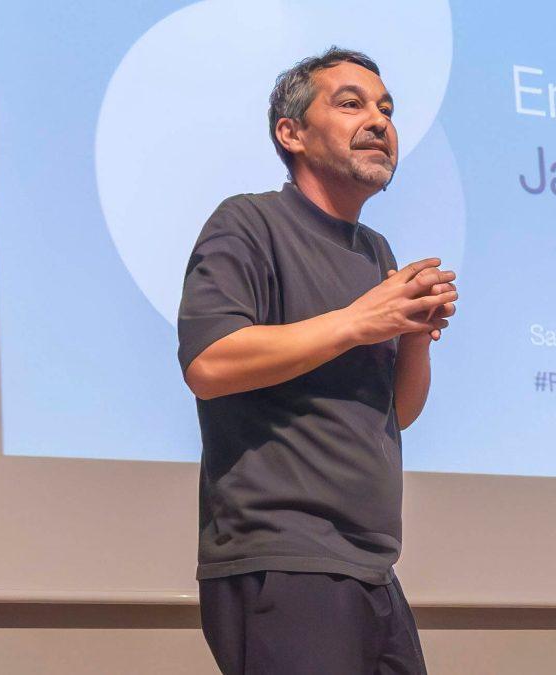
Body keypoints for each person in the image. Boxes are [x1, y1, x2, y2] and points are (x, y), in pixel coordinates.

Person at [176, 45, 458, 674]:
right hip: (283, 558)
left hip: (373, 566)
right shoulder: (249, 223)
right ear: (292, 132)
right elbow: (209, 364)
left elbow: (396, 415)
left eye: (387, 108)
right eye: (352, 103)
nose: (380, 121)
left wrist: (412, 335)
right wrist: (362, 321)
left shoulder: (375, 253)